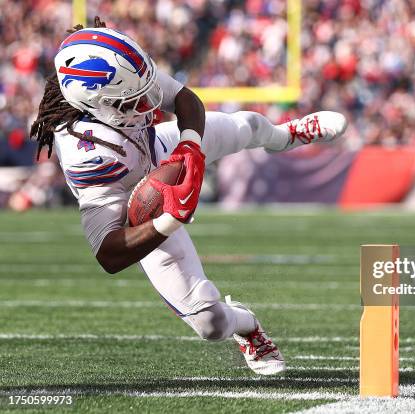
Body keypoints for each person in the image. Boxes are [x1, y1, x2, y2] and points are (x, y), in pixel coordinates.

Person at [30, 17, 348, 375]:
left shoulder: (122, 70)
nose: (149, 104)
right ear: (98, 106)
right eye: (133, 103)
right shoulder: (89, 157)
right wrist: (169, 219)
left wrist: (190, 146)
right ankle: (247, 325)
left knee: (248, 126)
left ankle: (286, 135)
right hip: (138, 208)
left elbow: (183, 98)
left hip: (156, 147)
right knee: (210, 324)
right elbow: (108, 253)